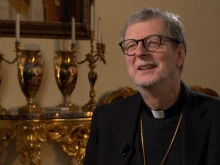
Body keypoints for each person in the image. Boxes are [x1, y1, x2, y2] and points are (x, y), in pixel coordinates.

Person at [83, 7, 220, 165]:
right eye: (131, 46)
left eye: (153, 42)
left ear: (180, 54)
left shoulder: (216, 117)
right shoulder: (107, 120)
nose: (140, 52)